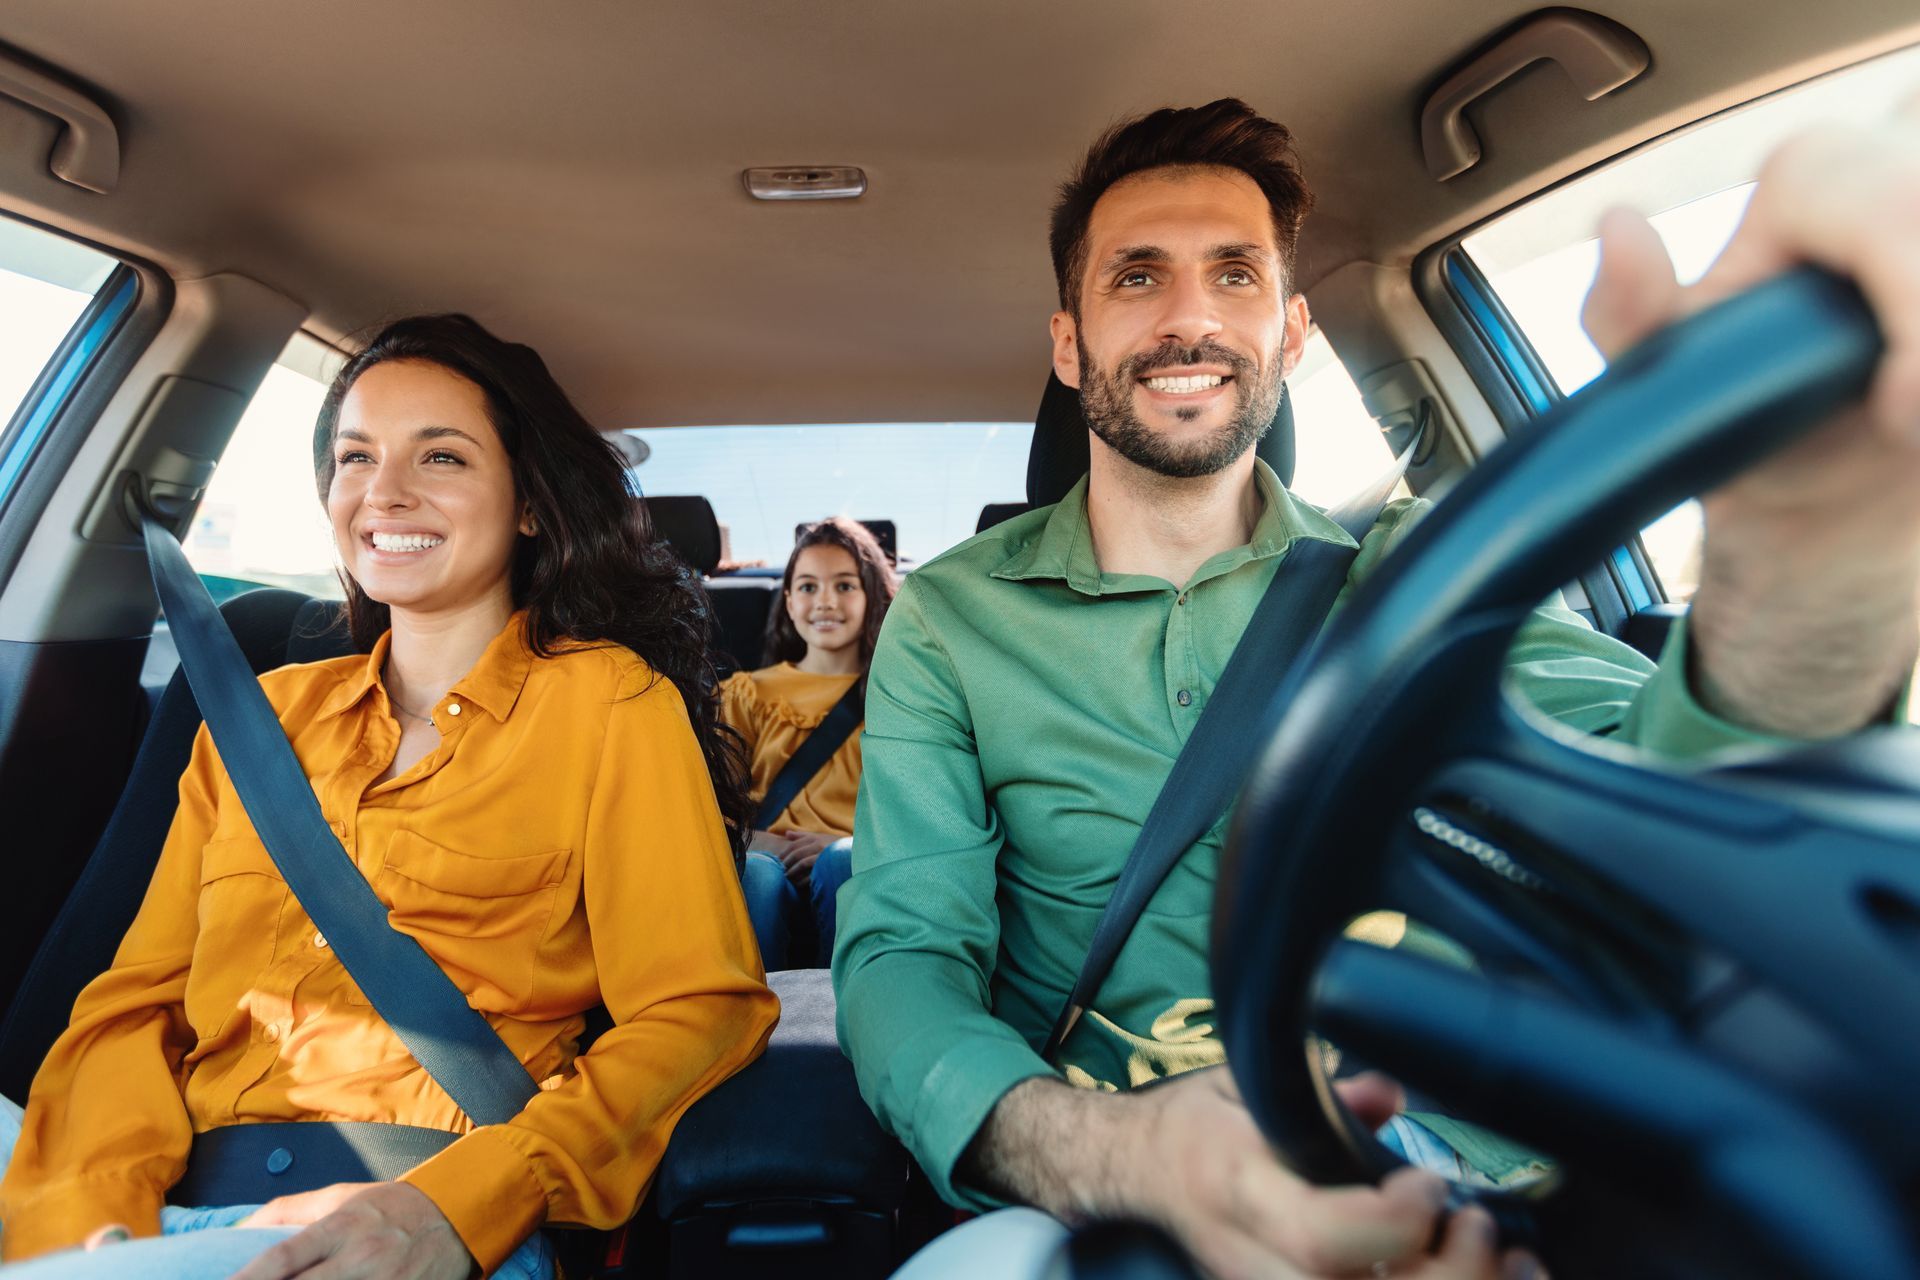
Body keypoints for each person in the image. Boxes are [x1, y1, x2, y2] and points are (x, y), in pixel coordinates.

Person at [833, 96, 1920, 1280]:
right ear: (1067, 341)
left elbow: (1673, 793)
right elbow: (903, 963)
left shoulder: (1427, 569)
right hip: (1109, 1191)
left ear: (1292, 334)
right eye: (1137, 277)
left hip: (1469, 1182)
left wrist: (1796, 558)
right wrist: (1115, 1153)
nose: (1190, 314)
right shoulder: (949, 617)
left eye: (1235, 274)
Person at [0, 315, 780, 1279]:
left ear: (530, 504)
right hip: (167, 1210)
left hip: (428, 1220)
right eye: (355, 455)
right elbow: (136, 1004)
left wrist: (459, 1208)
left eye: (441, 456)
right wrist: (87, 1228)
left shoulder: (609, 702)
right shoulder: (261, 717)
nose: (385, 492)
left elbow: (698, 1009)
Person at [727, 516, 898, 967]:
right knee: (756, 877)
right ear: (787, 600)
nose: (825, 601)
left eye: (844, 586)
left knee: (841, 863)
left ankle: (852, 1016)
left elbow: (917, 811)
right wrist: (763, 843)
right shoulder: (747, 694)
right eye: (807, 587)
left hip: (859, 868)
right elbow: (708, 810)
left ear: (871, 596)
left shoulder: (900, 695)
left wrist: (848, 844)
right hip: (763, 862)